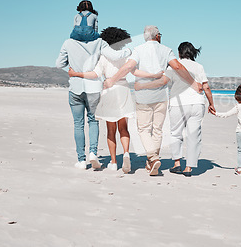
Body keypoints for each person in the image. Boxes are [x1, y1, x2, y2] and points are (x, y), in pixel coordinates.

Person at [104, 26, 203, 176]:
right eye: (160, 34)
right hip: (161, 97)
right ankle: (151, 163)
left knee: (143, 129)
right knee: (157, 130)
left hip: (143, 96)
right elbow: (178, 66)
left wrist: (112, 79)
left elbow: (129, 67)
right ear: (157, 36)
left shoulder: (138, 49)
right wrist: (193, 83)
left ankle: (153, 157)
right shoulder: (166, 50)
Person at [68, 27, 162, 173]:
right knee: (123, 128)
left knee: (110, 130)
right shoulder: (126, 56)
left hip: (109, 91)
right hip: (123, 90)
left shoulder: (104, 57)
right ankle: (126, 153)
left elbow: (94, 74)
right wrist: (154, 75)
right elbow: (135, 71)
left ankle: (113, 162)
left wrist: (76, 74)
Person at [56, 13, 131, 170]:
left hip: (90, 89)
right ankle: (119, 154)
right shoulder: (112, 51)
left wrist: (76, 73)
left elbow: (93, 72)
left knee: (86, 125)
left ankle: (99, 161)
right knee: (114, 125)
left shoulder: (74, 45)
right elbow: (132, 69)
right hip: (117, 91)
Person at [135, 42, 215, 177]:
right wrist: (211, 104)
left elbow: (162, 82)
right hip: (196, 104)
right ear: (192, 53)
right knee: (194, 136)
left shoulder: (172, 67)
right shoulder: (199, 67)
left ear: (179, 53)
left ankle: (177, 163)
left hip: (178, 104)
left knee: (175, 134)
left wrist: (143, 86)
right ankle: (189, 167)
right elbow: (206, 87)